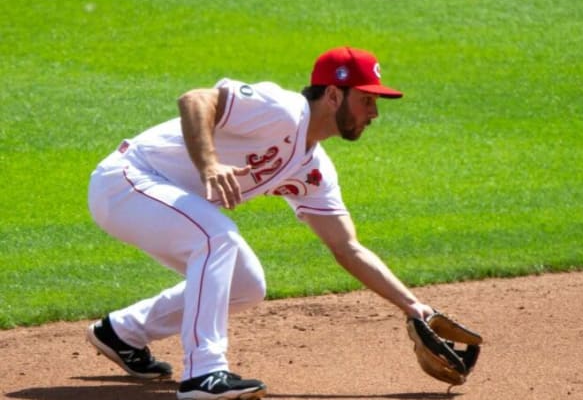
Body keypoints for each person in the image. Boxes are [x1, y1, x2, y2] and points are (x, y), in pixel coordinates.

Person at [86, 46, 435, 400]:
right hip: (125, 180)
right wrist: (209, 165)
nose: (374, 112)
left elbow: (347, 247)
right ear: (333, 94)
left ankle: (123, 333)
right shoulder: (282, 110)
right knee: (216, 236)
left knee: (245, 284)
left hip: (154, 198)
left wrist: (413, 306)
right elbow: (195, 99)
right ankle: (203, 374)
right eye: (366, 100)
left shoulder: (314, 169)